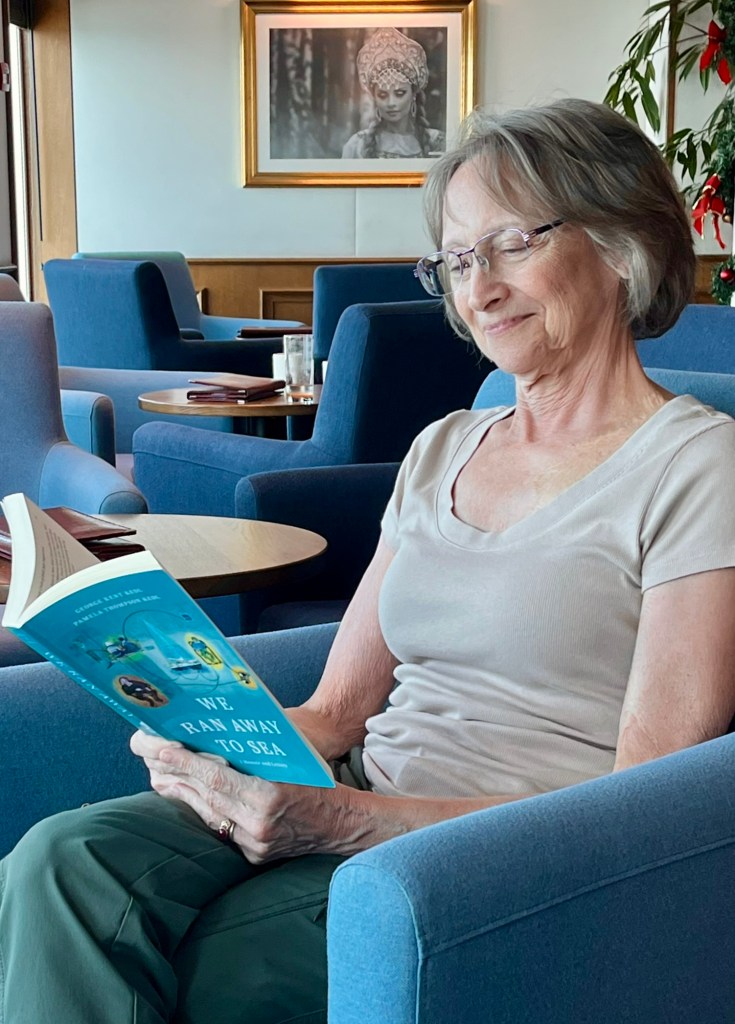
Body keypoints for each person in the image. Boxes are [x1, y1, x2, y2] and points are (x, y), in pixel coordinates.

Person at [3, 97, 735, 1023]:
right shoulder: (443, 445)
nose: (479, 290)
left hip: (499, 859)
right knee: (53, 866)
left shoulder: (698, 466)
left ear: (621, 243)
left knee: (207, 974)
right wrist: (209, 741)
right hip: (353, 787)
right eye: (457, 260)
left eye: (510, 244)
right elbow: (335, 711)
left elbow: (642, 808)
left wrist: (341, 824)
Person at [341, 27, 445, 159]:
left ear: (413, 95)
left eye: (399, 93)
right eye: (382, 95)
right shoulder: (357, 145)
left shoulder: (437, 142)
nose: (391, 103)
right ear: (374, 98)